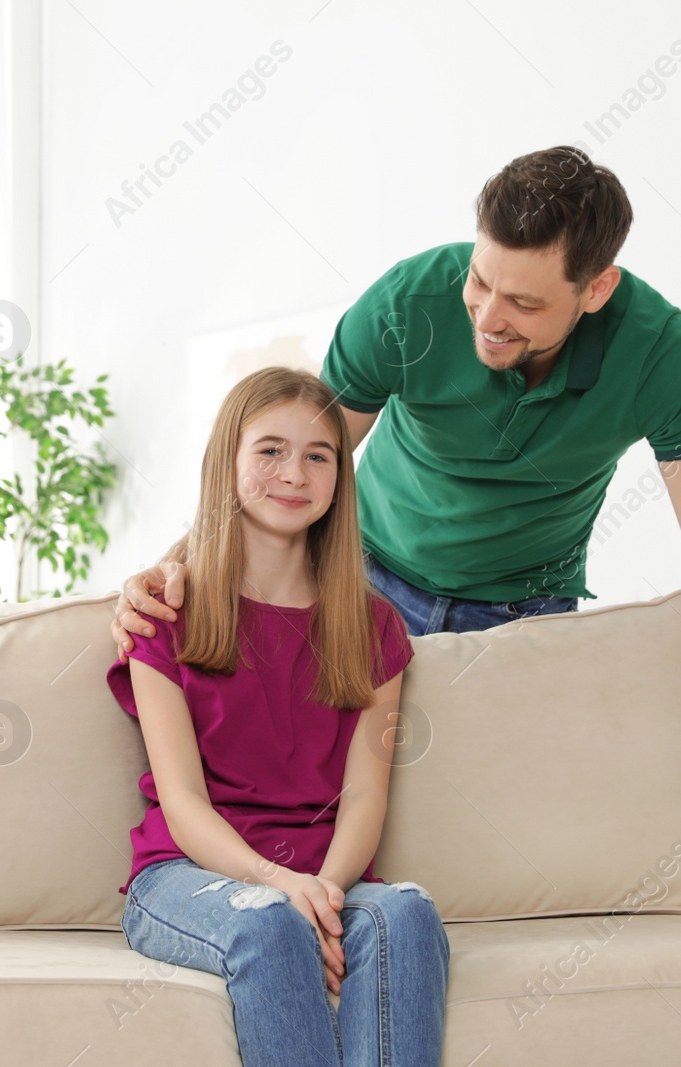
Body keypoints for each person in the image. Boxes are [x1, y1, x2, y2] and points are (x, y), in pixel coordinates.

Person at [113, 144, 681, 834]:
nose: (486, 314)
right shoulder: (408, 305)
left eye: (522, 301)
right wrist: (173, 567)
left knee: (492, 823)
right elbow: (284, 470)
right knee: (322, 797)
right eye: (480, 279)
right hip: (364, 582)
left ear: (597, 289)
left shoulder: (660, 358)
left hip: (522, 610)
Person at [106, 366, 449, 1066]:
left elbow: (364, 795)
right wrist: (277, 884)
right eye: (270, 450)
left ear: (338, 477)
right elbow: (182, 801)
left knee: (407, 913)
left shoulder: (375, 626)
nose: (294, 472)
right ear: (228, 462)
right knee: (269, 925)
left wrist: (320, 893)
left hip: (330, 876)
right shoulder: (162, 616)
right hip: (190, 871)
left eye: (318, 455)